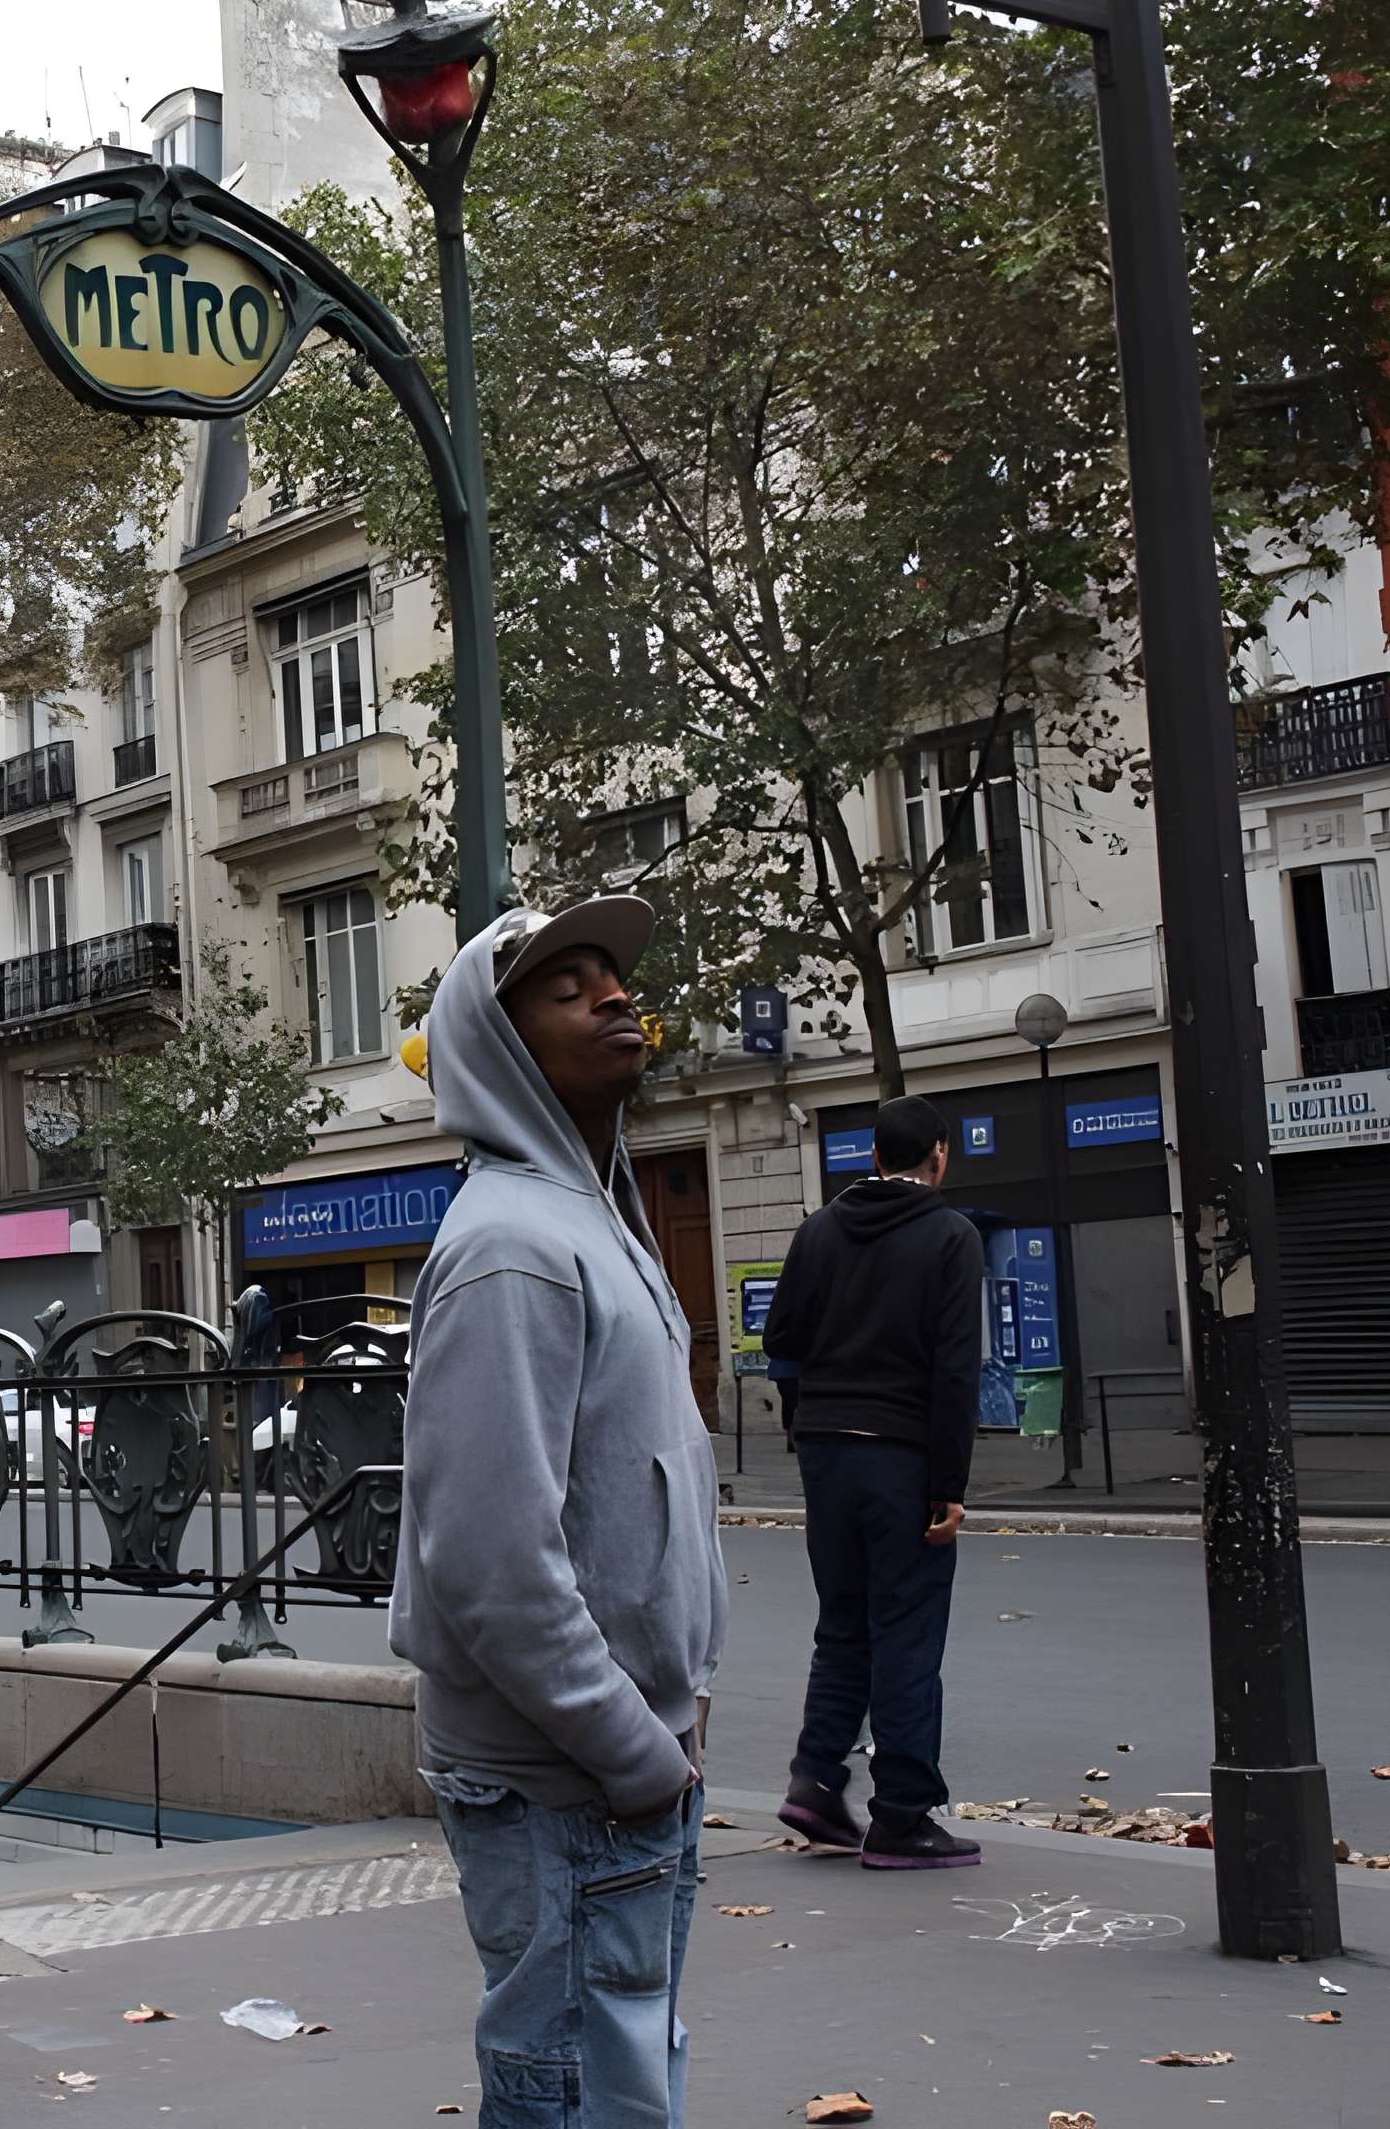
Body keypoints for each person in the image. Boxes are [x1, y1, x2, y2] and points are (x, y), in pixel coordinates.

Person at [392, 898, 727, 2126]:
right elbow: (488, 1559)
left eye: (611, 974)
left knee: (610, 2065)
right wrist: (633, 1750)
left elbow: (646, 1478)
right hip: (569, 1771)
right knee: (577, 2083)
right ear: (497, 1042)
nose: (609, 994)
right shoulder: (513, 1247)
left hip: (619, 1751)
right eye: (563, 985)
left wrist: (677, 1698)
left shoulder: (593, 1219)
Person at [759, 1090, 986, 1869]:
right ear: (940, 1154)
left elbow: (779, 1335)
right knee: (908, 1633)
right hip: (901, 1453)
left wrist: (809, 1408)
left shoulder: (818, 1230)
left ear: (872, 1157)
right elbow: (955, 1369)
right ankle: (902, 1813)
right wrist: (948, 1482)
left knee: (844, 1622)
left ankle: (816, 1779)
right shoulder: (950, 1237)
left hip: (827, 1450)